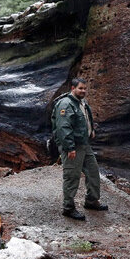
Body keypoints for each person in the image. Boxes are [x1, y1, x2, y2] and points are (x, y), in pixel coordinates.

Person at [51, 77, 108, 220]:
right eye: (80, 88)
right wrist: (70, 148)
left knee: (93, 171)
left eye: (84, 88)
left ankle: (91, 201)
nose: (83, 91)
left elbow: (86, 117)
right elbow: (63, 128)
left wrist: (91, 130)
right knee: (72, 176)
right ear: (72, 88)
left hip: (84, 144)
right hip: (72, 146)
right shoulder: (65, 104)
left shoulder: (81, 102)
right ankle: (68, 208)